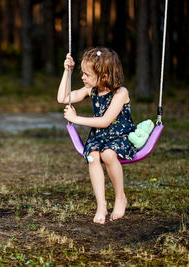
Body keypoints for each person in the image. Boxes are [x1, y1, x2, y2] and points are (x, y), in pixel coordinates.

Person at [57, 48, 137, 224]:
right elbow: (63, 98)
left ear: (104, 76)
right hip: (100, 137)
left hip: (120, 136)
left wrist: (76, 118)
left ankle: (120, 198)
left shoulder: (120, 93)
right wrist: (66, 71)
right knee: (93, 157)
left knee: (108, 154)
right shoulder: (90, 90)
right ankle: (101, 205)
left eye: (87, 74)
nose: (83, 77)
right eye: (82, 73)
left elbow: (105, 121)